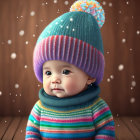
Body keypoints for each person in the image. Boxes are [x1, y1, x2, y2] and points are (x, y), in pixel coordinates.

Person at [26, 0, 115, 139]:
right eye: (48, 73)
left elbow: (106, 130)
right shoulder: (41, 107)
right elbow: (32, 132)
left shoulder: (95, 107)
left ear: (90, 76)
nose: (54, 79)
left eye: (65, 71)